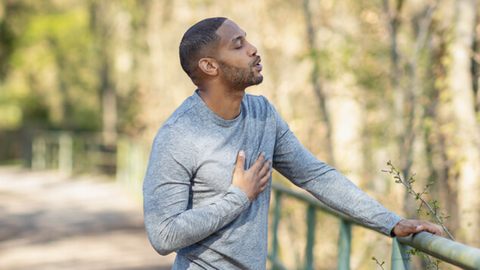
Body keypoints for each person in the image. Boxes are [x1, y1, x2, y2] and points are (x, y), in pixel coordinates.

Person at [143, 17, 442, 269]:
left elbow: (316, 175)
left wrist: (391, 222)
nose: (253, 49)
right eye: (238, 44)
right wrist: (238, 197)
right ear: (210, 66)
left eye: (247, 41)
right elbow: (162, 235)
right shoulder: (178, 135)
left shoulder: (263, 115)